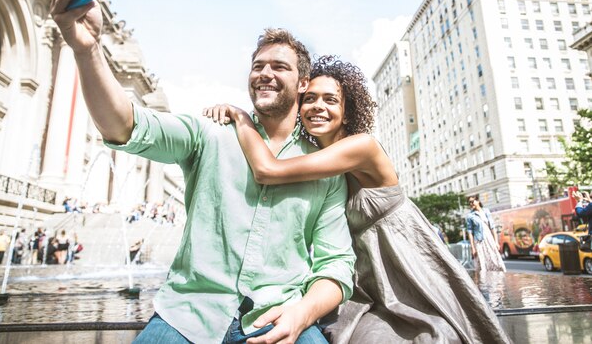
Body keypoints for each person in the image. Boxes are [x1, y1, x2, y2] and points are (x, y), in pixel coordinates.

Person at [50, 0, 355, 344]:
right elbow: (126, 125)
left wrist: (302, 314)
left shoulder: (326, 170)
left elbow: (336, 263)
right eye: (258, 66)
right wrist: (87, 50)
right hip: (188, 314)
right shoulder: (209, 132)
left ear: (303, 82)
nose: (265, 74)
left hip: (281, 316)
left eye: (279, 66)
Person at [203, 55, 511, 343]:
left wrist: (241, 118)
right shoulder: (319, 160)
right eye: (309, 98)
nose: (317, 106)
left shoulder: (362, 146)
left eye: (330, 99)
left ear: (347, 110)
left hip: (406, 263)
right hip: (368, 275)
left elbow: (267, 170)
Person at [466, 195, 506, 274]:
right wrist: (473, 248)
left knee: (495, 260)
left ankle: (498, 282)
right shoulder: (470, 216)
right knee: (482, 263)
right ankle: (484, 283)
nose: (471, 204)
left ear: (478, 201)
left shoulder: (486, 211)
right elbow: (470, 232)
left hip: (489, 239)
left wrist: (496, 242)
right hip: (479, 240)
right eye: (469, 202)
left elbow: (492, 227)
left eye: (472, 201)